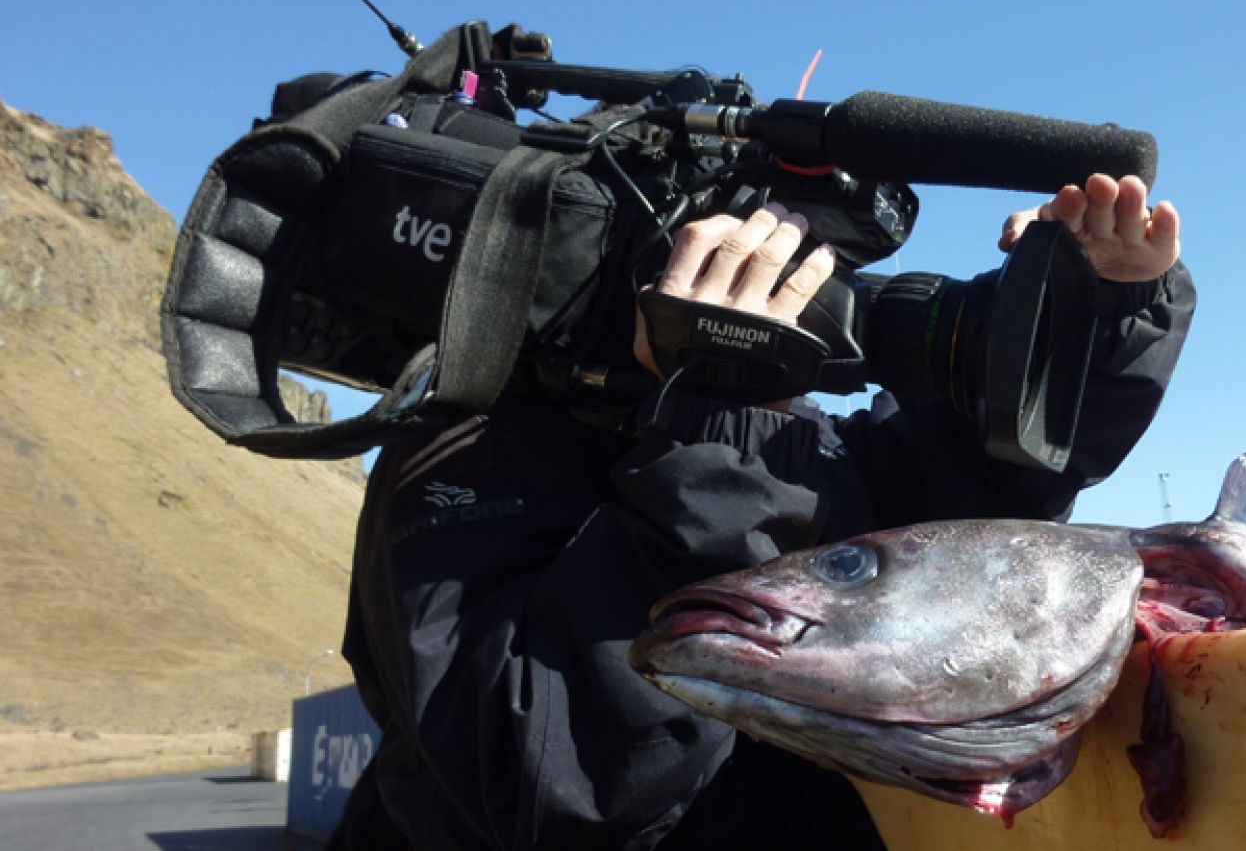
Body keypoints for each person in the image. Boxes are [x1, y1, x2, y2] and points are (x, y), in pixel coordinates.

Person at [329, 172, 1194, 850]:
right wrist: (714, 423)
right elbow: (560, 783)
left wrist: (1089, 318)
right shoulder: (466, 444)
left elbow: (984, 526)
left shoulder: (781, 436)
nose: (789, 297)